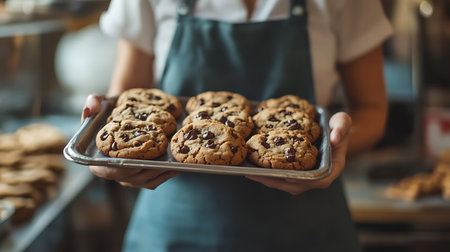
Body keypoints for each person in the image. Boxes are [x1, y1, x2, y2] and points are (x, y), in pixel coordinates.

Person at [82, 0, 392, 251]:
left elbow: (372, 110)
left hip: (307, 225)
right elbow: (128, 105)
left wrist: (333, 148)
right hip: (174, 222)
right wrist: (110, 157)